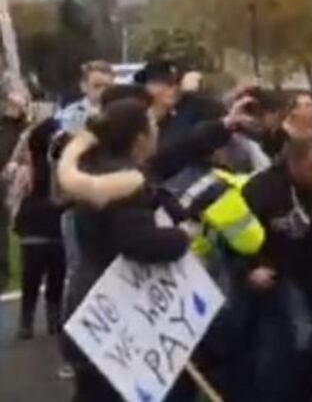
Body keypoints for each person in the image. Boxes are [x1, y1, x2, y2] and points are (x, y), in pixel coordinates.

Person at [57, 98, 190, 402]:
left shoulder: (94, 168)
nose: (158, 131)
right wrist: (180, 237)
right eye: (153, 125)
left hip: (88, 298)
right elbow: (138, 242)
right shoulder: (125, 182)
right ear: (140, 137)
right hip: (115, 308)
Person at [241, 135, 312, 402]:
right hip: (277, 272)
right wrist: (251, 268)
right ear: (294, 163)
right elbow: (235, 237)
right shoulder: (262, 189)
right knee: (298, 336)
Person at [14, 117, 65, 339]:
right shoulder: (31, 164)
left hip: (52, 221)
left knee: (55, 272)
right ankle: (29, 319)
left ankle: (49, 318)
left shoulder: (63, 163)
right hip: (37, 221)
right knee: (34, 272)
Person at [56, 60, 114, 135]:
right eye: (97, 86)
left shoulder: (118, 112)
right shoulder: (72, 114)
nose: (103, 91)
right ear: (83, 86)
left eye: (107, 86)